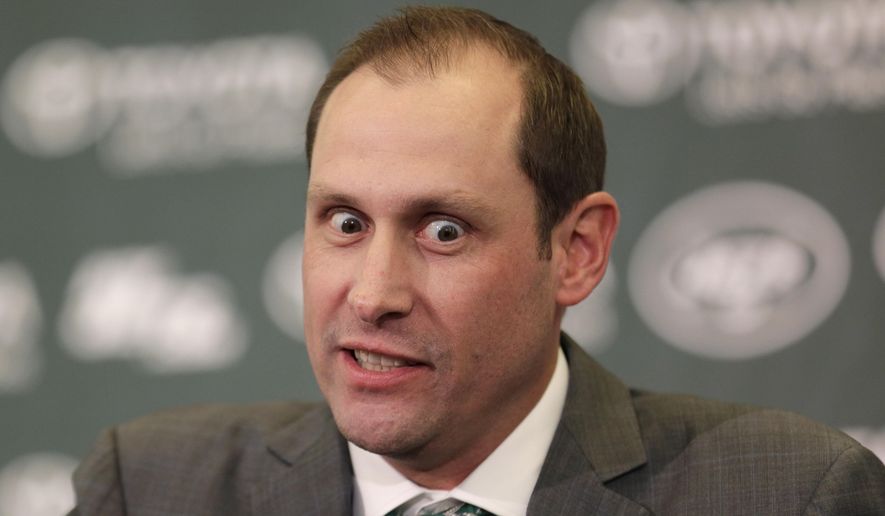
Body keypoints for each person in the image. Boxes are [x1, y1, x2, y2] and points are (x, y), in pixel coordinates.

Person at [69, 6, 885, 515]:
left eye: (443, 231)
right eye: (345, 222)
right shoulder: (152, 488)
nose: (373, 294)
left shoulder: (785, 494)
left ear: (576, 252)